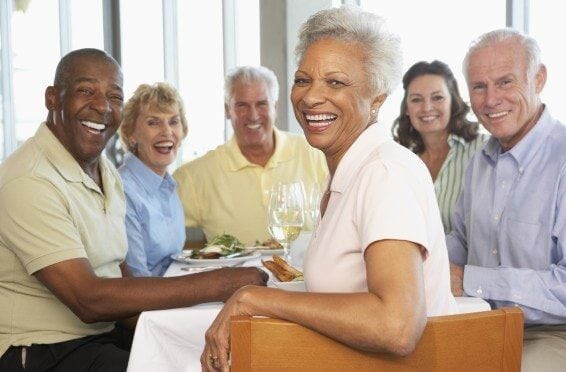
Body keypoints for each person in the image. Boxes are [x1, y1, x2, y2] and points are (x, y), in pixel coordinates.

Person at [201, 6, 457, 371]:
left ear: (378, 99)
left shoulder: (384, 173)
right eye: (303, 80)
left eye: (335, 83)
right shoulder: (346, 171)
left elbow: (396, 326)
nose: (309, 98)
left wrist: (252, 298)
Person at [0, 48, 267, 372]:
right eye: (86, 91)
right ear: (53, 98)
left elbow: (120, 273)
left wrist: (183, 331)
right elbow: (89, 299)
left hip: (102, 335)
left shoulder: (103, 171)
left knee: (219, 357)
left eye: (114, 96)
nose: (102, 106)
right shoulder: (29, 179)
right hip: (43, 351)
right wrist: (221, 283)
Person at [447, 28, 566, 371]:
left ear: (538, 78)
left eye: (505, 82)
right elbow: (460, 241)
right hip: (480, 324)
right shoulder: (477, 163)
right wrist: (413, 256)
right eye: (479, 87)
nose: (490, 100)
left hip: (552, 335)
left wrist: (472, 281)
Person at [173, 65, 327, 247]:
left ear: (275, 107)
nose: (253, 115)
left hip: (306, 275)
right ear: (227, 110)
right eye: (241, 105)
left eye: (262, 104)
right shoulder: (193, 177)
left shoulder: (317, 154)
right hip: (233, 275)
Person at [392, 60, 489, 232]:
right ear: (406, 108)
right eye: (416, 100)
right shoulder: (399, 161)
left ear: (453, 102)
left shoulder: (484, 150)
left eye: (437, 98)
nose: (427, 108)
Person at [118, 83, 187, 277]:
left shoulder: (169, 186)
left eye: (174, 121)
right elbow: (137, 280)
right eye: (153, 123)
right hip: (148, 305)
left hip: (171, 298)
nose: (167, 132)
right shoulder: (123, 191)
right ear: (132, 133)